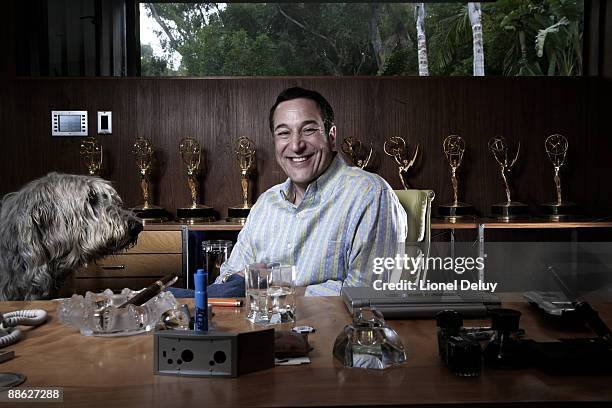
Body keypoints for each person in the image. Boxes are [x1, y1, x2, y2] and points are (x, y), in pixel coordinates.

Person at [216, 87, 407, 295]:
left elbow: (370, 293)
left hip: (335, 327)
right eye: (283, 133)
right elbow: (227, 279)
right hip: (258, 326)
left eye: (308, 130)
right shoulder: (265, 203)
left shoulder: (369, 194)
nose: (296, 145)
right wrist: (240, 283)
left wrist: (271, 288)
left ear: (332, 137)